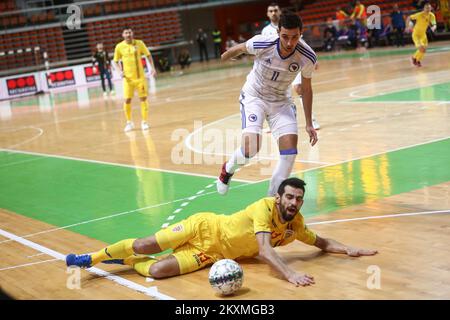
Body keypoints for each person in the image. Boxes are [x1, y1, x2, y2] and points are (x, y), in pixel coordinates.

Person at [66, 178, 378, 286]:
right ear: (279, 197)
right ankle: (90, 258)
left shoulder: (295, 224)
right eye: (289, 197)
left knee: (158, 271)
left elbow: (321, 241)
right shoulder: (263, 208)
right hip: (203, 226)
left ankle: (127, 262)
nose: (294, 202)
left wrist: (348, 248)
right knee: (147, 244)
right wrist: (290, 275)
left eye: (299, 199)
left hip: (212, 253)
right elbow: (266, 250)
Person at [216, 12, 319, 197]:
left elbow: (307, 89)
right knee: (250, 149)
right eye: (285, 37)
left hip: (281, 101)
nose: (289, 43)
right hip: (255, 97)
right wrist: (223, 57)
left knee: (289, 153)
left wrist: (309, 123)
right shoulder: (263, 42)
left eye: (295, 37)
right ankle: (228, 169)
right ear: (278, 32)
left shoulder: (307, 56)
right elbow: (239, 48)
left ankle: (272, 199)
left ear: (301, 33)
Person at [113, 27, 157, 132]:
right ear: (123, 35)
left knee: (143, 99)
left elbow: (148, 55)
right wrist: (120, 71)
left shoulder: (139, 43)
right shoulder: (119, 46)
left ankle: (144, 122)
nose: (128, 34)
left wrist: (153, 68)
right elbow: (115, 61)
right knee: (127, 100)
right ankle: (129, 122)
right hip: (128, 80)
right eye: (126, 33)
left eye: (129, 32)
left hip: (140, 78)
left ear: (132, 33)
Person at [406, 2, 437, 67]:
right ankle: (416, 59)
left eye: (429, 8)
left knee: (424, 49)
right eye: (426, 8)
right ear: (424, 8)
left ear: (431, 8)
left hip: (423, 35)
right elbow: (409, 17)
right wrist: (407, 27)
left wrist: (434, 27)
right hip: (416, 34)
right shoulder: (419, 15)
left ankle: (415, 59)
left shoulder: (431, 15)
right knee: (421, 48)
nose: (428, 9)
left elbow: (434, 23)